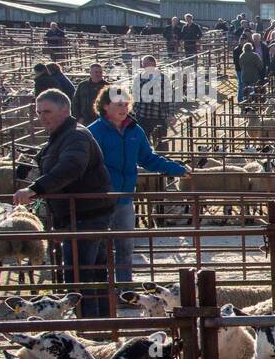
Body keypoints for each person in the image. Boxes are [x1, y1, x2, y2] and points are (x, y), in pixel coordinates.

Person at [13, 89, 116, 319]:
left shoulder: (75, 136)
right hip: (82, 214)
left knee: (80, 277)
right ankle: (101, 326)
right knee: (93, 273)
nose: (42, 117)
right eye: (39, 112)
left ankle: (89, 330)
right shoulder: (63, 136)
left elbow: (71, 167)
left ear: (65, 110)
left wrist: (34, 188)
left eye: (47, 111)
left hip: (84, 216)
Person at [87, 86, 188, 286]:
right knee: (99, 247)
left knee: (125, 246)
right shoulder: (93, 133)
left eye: (126, 104)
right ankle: (101, 291)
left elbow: (147, 158)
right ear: (105, 106)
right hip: (100, 199)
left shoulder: (135, 130)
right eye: (118, 104)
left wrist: (174, 168)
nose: (123, 108)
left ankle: (124, 289)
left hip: (125, 198)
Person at [134, 55, 173, 145]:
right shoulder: (138, 78)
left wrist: (171, 113)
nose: (144, 66)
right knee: (142, 142)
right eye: (143, 64)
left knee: (160, 142)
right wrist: (135, 111)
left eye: (147, 63)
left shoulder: (163, 78)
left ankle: (162, 157)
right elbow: (135, 96)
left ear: (154, 64)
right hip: (142, 116)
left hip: (158, 115)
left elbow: (169, 97)